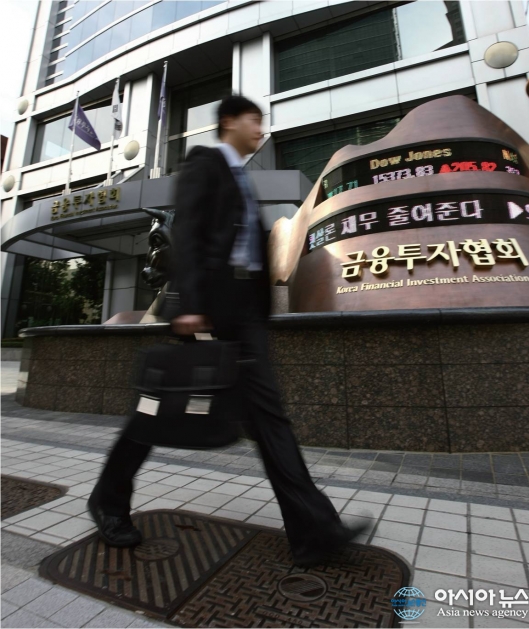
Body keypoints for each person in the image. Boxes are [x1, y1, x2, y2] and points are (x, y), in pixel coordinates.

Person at [88, 95, 368, 567]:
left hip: (245, 320)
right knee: (158, 411)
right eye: (253, 120)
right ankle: (108, 502)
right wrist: (190, 304)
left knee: (271, 422)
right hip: (210, 313)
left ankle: (315, 532)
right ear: (229, 122)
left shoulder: (241, 177)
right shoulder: (205, 165)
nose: (260, 128)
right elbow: (189, 233)